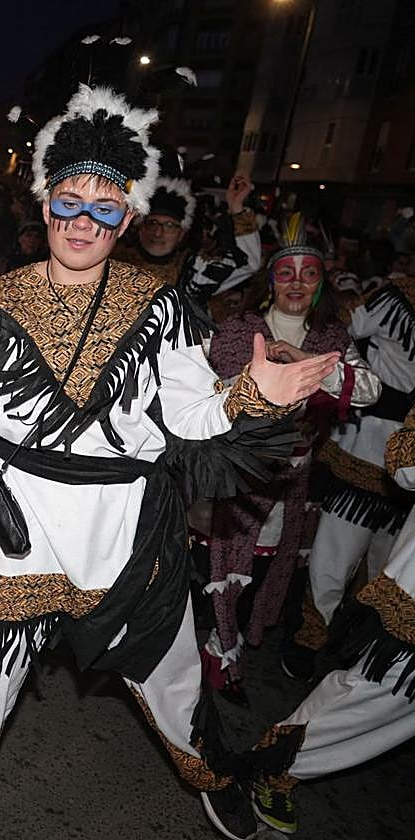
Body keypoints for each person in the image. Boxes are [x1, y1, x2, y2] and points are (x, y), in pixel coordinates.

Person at [0, 84, 339, 840]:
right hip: (19, 531)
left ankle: (212, 774)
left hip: (128, 534)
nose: (82, 222)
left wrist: (249, 395)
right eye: (68, 202)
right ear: (44, 207)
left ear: (127, 217)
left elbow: (192, 415)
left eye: (105, 208)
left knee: (171, 681)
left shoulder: (158, 303)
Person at [202, 221, 379, 705]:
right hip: (237, 476)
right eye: (286, 273)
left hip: (293, 480)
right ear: (271, 279)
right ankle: (216, 654)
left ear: (321, 282)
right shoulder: (240, 329)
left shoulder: (330, 338)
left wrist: (304, 359)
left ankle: (224, 647)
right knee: (218, 569)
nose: (296, 282)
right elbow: (207, 385)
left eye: (308, 273)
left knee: (262, 573)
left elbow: (369, 390)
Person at [246, 404, 415, 835]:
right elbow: (407, 463)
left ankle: (281, 758)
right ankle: (275, 760)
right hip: (366, 449)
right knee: (377, 689)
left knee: (394, 710)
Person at [300, 240, 415, 674]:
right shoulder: (397, 295)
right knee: (339, 555)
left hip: (398, 464)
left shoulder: (395, 294)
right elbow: (339, 330)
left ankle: (350, 653)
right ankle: (314, 639)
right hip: (371, 449)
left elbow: (343, 327)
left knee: (382, 569)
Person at [114, 164, 260, 305]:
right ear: (139, 227)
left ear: (181, 234)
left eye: (170, 226)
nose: (158, 233)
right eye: (152, 223)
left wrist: (237, 208)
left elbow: (247, 264)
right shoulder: (113, 264)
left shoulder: (194, 271)